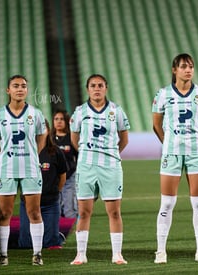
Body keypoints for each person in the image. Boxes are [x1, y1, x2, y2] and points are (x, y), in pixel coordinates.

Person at [152, 53, 198, 264]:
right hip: (171, 153)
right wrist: (169, 141)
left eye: (191, 67)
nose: (188, 70)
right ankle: (161, 251)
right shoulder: (163, 94)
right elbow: (156, 124)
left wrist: (194, 139)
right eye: (184, 66)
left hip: (196, 153)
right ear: (174, 70)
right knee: (167, 203)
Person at [69, 74, 130, 265]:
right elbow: (74, 138)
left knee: (114, 211)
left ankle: (117, 254)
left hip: (111, 166)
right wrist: (88, 153)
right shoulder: (79, 112)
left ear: (106, 88)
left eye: (100, 85)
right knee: (84, 211)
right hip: (86, 166)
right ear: (88, 89)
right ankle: (81, 254)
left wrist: (111, 154)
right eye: (93, 85)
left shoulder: (116, 111)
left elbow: (124, 139)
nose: (97, 88)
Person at [0, 75, 46, 266]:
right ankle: (3, 255)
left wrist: (33, 155)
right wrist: (4, 157)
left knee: (35, 212)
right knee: (5, 213)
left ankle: (37, 254)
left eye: (23, 86)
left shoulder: (35, 114)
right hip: (6, 170)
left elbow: (42, 137)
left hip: (31, 169)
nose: (20, 89)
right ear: (8, 90)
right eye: (16, 86)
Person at [19, 119, 67, 249]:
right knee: (25, 244)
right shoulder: (23, 152)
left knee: (50, 244)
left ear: (48, 131)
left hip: (50, 204)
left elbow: (62, 175)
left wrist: (55, 191)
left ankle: (56, 236)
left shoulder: (55, 152)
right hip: (28, 203)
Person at [52, 110, 78, 219]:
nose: (59, 121)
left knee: (69, 209)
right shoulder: (50, 139)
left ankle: (72, 230)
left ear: (66, 121)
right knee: (55, 207)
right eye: (56, 119)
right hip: (54, 178)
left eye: (62, 119)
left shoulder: (71, 137)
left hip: (70, 175)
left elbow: (78, 154)